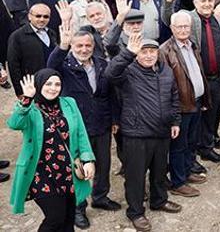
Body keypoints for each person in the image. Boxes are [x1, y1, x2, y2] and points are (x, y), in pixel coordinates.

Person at [104, 35, 182, 232]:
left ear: (158, 53)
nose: (148, 56)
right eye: (144, 52)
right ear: (137, 54)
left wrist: (175, 121)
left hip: (162, 131)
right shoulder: (128, 72)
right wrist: (128, 52)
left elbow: (174, 96)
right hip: (137, 134)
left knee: (159, 171)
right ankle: (136, 212)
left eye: (152, 51)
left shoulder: (166, 71)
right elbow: (110, 74)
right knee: (136, 176)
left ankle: (159, 200)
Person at [47, 24, 118, 229]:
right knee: (77, 169)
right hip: (76, 127)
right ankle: (78, 208)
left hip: (102, 123)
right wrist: (62, 45)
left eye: (88, 45)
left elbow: (110, 94)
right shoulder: (64, 65)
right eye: (79, 46)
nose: (84, 49)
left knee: (103, 164)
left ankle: (100, 197)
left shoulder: (102, 64)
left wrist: (114, 119)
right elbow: (50, 66)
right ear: (72, 46)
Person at [7, 70, 96, 232]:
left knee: (68, 219)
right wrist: (26, 99)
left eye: (57, 84)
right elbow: (14, 123)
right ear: (39, 85)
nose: (53, 88)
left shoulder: (69, 103)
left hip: (67, 170)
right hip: (40, 172)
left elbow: (81, 133)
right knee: (55, 217)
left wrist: (87, 159)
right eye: (48, 84)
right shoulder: (30, 108)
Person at [161, 0, 220, 163]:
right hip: (194, 80)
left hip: (216, 78)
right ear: (195, 2)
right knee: (193, 122)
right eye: (203, 1)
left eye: (210, 1)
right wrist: (169, 1)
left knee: (213, 115)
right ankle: (190, 158)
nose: (207, 4)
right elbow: (169, 20)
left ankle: (207, 147)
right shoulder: (189, 19)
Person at [159, 12, 211, 197]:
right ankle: (178, 182)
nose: (183, 30)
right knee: (178, 146)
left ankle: (187, 171)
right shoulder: (165, 51)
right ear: (172, 28)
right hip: (180, 107)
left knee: (191, 142)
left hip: (195, 102)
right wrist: (172, 112)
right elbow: (164, 85)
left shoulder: (192, 45)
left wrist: (204, 98)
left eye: (186, 26)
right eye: (179, 27)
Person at [7, 3, 58, 95]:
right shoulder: (17, 36)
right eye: (38, 16)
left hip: (52, 85)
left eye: (46, 17)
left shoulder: (52, 33)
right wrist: (20, 91)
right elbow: (13, 66)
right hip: (32, 87)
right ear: (29, 16)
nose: (42, 19)